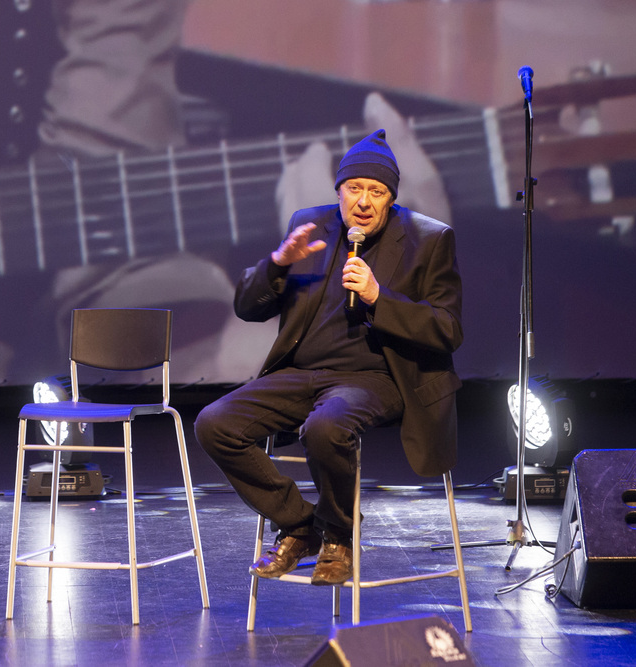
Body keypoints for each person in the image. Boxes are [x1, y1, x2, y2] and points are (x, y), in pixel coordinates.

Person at [194, 129, 463, 585]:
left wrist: (379, 296)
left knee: (325, 428)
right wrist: (278, 263)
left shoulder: (427, 239)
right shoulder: (310, 224)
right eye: (353, 189)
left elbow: (448, 329)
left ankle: (339, 535)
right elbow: (247, 308)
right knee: (214, 423)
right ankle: (301, 525)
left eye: (376, 192)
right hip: (302, 373)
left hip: (377, 378)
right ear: (338, 192)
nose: (363, 201)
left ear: (390, 198)